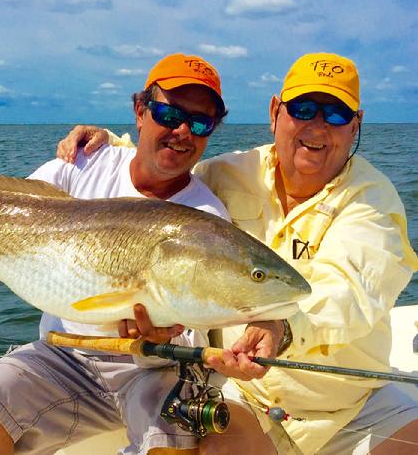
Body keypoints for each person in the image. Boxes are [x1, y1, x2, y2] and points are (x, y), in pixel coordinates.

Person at [0, 53, 284, 455]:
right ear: (140, 111)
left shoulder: (206, 218)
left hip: (152, 369)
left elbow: (194, 322)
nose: (183, 132)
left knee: (173, 438)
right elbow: (5, 203)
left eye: (200, 122)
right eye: (171, 115)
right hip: (62, 357)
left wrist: (163, 335)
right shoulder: (84, 160)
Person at [57, 52, 418, 454]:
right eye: (302, 108)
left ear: (356, 125)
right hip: (243, 393)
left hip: (353, 402)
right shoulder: (228, 174)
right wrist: (109, 145)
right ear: (275, 112)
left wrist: (282, 328)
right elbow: (164, 170)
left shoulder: (374, 201)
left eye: (335, 114)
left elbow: (351, 289)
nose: (317, 126)